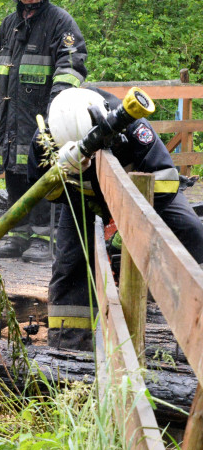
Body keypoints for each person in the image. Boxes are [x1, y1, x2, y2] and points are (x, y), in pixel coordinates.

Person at [29, 85, 203, 350]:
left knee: (192, 233)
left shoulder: (131, 125)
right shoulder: (46, 138)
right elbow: (43, 189)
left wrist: (129, 226)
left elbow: (165, 183)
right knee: (71, 263)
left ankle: (182, 309)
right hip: (83, 200)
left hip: (146, 196)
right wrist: (70, 176)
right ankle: (68, 347)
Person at [0, 0, 87, 263]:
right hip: (11, 116)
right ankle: (18, 234)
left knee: (41, 173)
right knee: (14, 174)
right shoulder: (9, 25)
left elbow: (72, 66)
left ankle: (45, 238)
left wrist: (57, 106)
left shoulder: (60, 23)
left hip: (42, 115)